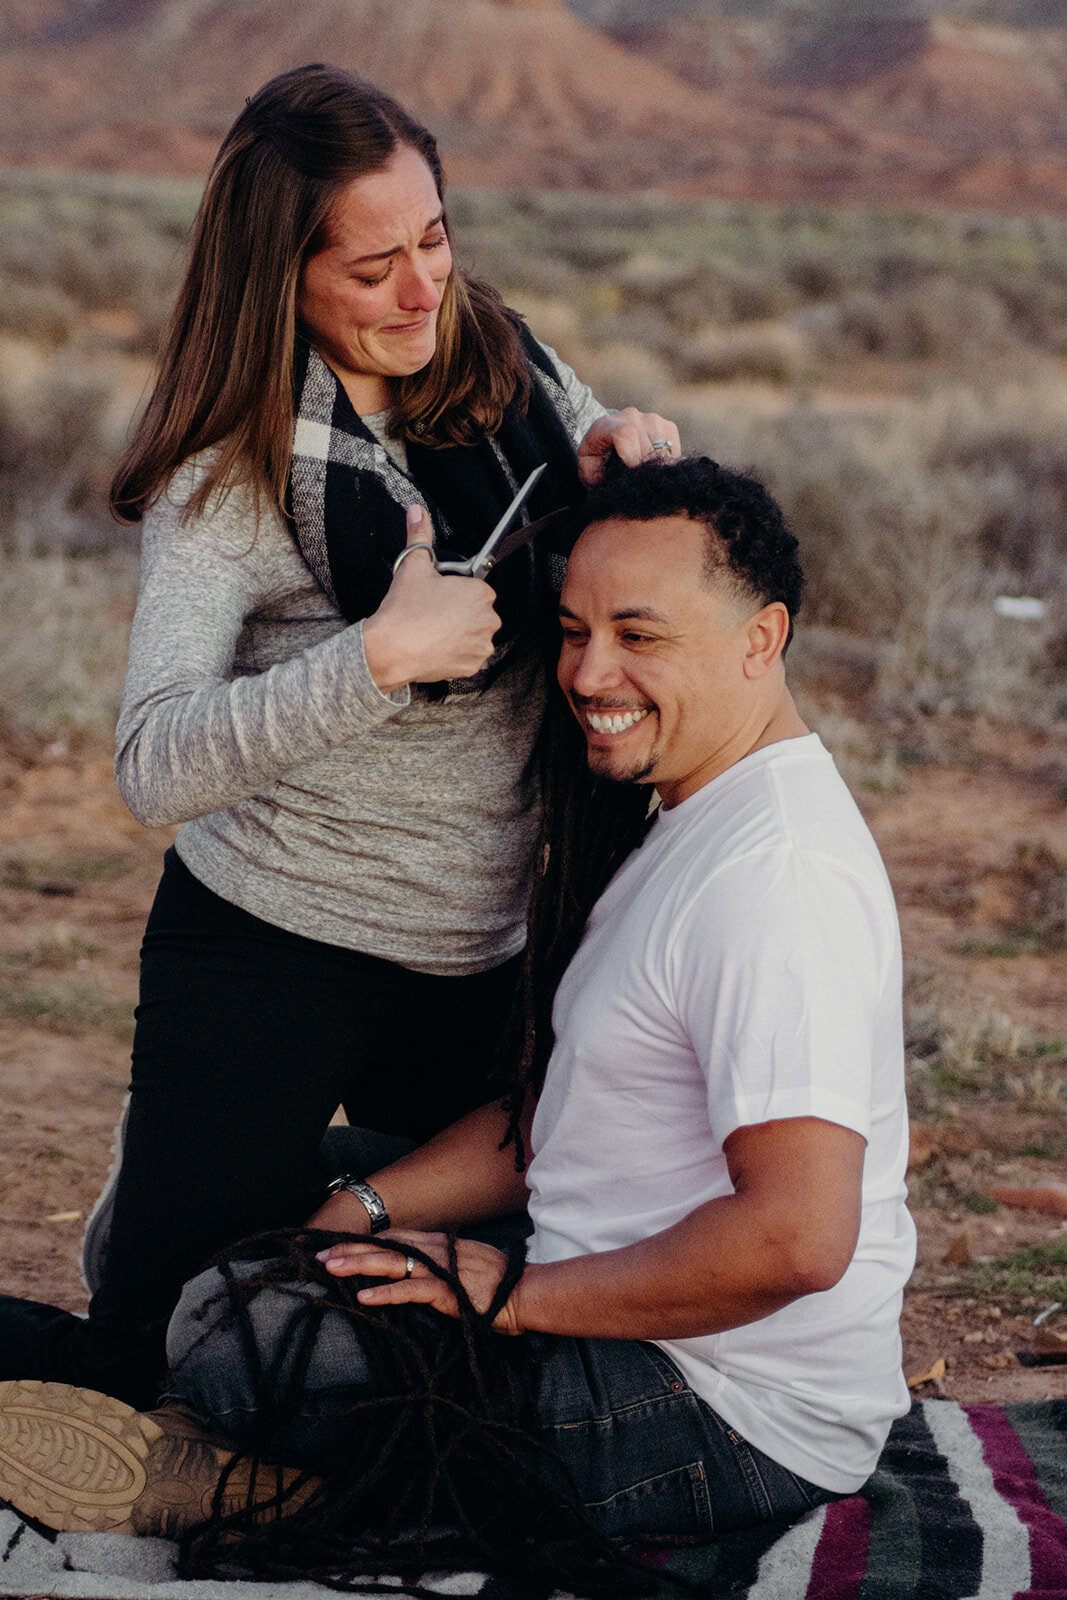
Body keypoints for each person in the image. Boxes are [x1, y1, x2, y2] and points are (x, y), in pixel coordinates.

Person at [0, 458, 915, 1577]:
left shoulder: (776, 881)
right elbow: (557, 1118)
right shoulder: (690, 815)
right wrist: (361, 1207)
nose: (588, 671)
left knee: (238, 1329)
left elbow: (796, 1236)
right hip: (605, 1267)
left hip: (724, 1405)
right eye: (573, 630)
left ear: (758, 639)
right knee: (229, 1207)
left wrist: (516, 1298)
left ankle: (278, 1490)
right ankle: (231, 1423)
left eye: (640, 634)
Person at [0, 62, 680, 1409]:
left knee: (503, 1314)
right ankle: (180, 1204)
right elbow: (152, 761)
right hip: (267, 945)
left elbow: (603, 540)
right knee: (148, 1365)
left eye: (433, 239)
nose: (423, 292)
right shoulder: (231, 478)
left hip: (481, 952)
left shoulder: (512, 368)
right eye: (372, 269)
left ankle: (224, 1190)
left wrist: (629, 454)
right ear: (283, 280)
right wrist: (371, 659)